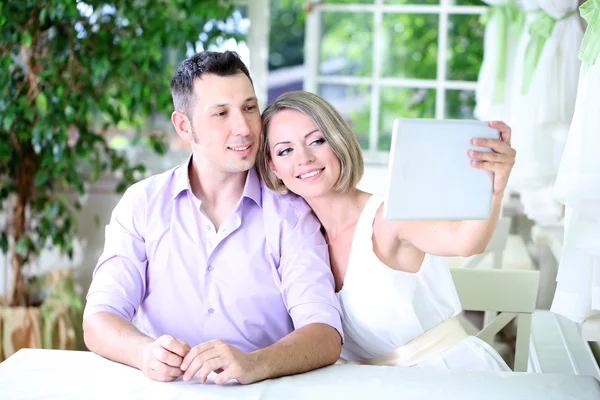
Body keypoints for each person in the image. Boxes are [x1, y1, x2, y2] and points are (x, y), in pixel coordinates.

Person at [82, 52, 343, 385]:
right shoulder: (142, 204)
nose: (244, 128)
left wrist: (255, 363)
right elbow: (98, 319)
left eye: (249, 108)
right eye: (221, 113)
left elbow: (324, 334)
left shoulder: (291, 213)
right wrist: (144, 352)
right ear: (184, 126)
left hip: (265, 392)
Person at [258, 90, 516, 371]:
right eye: (285, 150)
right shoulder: (298, 241)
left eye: (317, 141)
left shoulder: (389, 216)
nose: (304, 158)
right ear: (272, 166)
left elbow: (466, 242)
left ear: (338, 140)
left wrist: (495, 188)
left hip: (452, 377)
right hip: (372, 387)